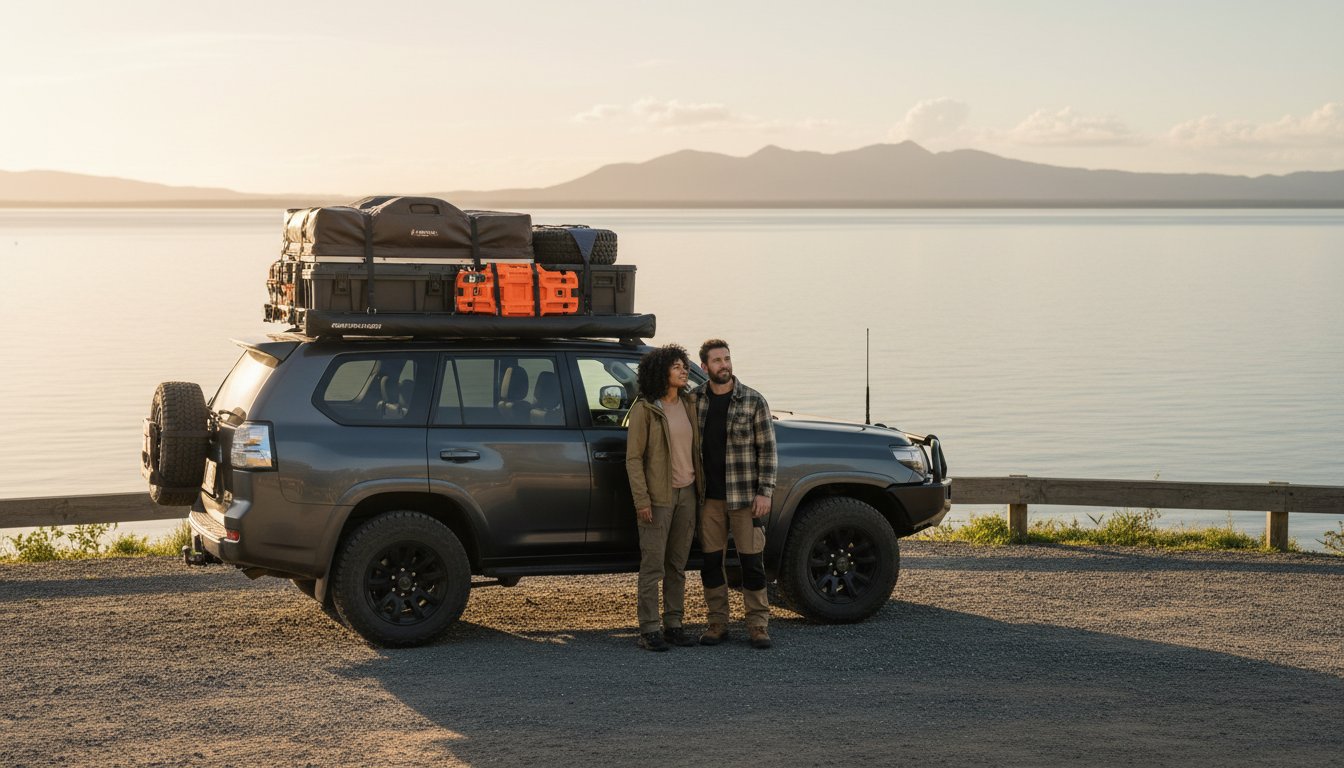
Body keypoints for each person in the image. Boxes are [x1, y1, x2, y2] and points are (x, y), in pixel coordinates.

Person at [693, 338, 778, 649]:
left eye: (726, 358)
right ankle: (717, 623)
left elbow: (767, 452)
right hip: (709, 501)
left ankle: (758, 625)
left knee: (752, 563)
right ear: (704, 367)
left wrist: (764, 492)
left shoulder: (753, 401)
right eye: (717, 361)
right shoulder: (696, 401)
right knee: (712, 563)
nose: (724, 365)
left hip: (745, 499)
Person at [625, 344, 703, 652]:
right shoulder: (645, 409)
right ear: (661, 372)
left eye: (684, 365)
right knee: (653, 565)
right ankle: (649, 629)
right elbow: (633, 459)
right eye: (677, 367)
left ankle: (674, 625)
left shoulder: (689, 404)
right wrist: (642, 500)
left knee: (677, 565)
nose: (684, 370)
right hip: (658, 497)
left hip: (688, 494)